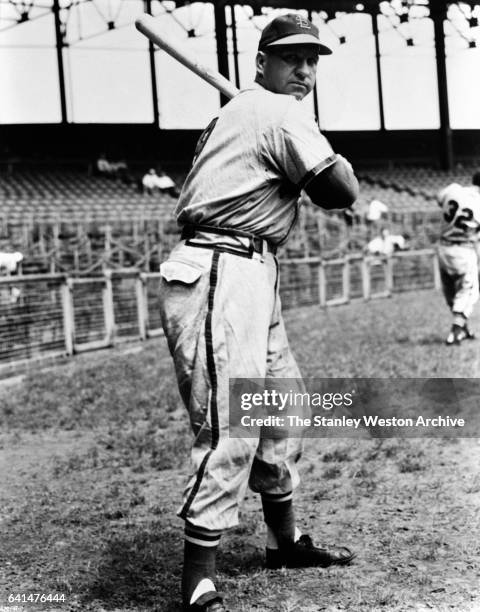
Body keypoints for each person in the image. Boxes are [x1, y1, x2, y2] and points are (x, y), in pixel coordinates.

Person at [158, 13, 359, 612]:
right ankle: (198, 579)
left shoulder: (249, 110)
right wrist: (329, 149)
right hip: (221, 267)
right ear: (261, 64)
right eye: (290, 58)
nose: (304, 70)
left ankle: (284, 540)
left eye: (312, 60)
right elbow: (339, 191)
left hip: (251, 266)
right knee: (232, 419)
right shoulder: (274, 111)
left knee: (280, 405)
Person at [437, 172, 480, 345]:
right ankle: (455, 332)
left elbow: (439, 198)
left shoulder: (453, 189)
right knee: (469, 292)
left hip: (443, 248)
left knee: (453, 294)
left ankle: (464, 329)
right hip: (464, 249)